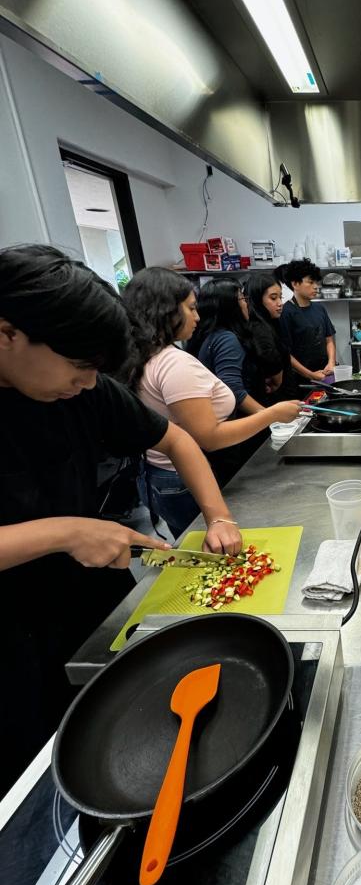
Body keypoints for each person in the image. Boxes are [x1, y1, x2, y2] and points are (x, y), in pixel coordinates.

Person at [0, 245, 242, 793]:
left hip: (83, 601)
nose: (88, 384)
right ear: (8, 333)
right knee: (32, 779)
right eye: (79, 367)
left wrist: (218, 516)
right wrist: (66, 532)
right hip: (9, 640)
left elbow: (175, 436)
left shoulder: (81, 389)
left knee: (115, 735)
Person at [122, 268, 301, 536]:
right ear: (165, 311)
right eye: (191, 308)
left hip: (160, 475)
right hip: (182, 479)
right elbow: (210, 436)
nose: (197, 316)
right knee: (213, 552)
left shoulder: (145, 355)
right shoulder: (173, 363)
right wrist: (273, 414)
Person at [189, 277, 282, 410]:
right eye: (243, 299)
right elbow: (233, 389)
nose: (246, 304)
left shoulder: (210, 334)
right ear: (229, 305)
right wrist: (267, 415)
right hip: (240, 417)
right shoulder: (227, 339)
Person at [279, 258, 337, 382]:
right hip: (300, 380)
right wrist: (310, 375)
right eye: (310, 282)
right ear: (295, 284)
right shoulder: (286, 312)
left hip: (324, 374)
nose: (316, 287)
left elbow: (329, 340)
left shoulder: (319, 308)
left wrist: (331, 363)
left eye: (316, 282)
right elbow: (285, 354)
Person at [246, 271, 295, 402]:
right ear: (257, 299)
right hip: (271, 398)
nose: (280, 303)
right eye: (273, 298)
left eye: (280, 297)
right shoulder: (258, 325)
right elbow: (268, 355)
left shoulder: (271, 321)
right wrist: (278, 380)